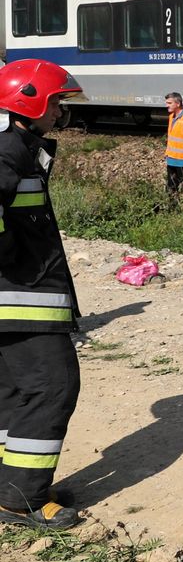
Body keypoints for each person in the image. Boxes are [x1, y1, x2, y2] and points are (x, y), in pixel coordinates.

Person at [0, 59, 87, 528]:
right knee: (53, 385)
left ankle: (9, 481)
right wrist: (10, 255)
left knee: (13, 391)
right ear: (27, 101)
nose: (59, 112)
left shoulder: (18, 146)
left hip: (15, 296)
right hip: (20, 298)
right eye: (55, 102)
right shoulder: (8, 150)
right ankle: (20, 499)